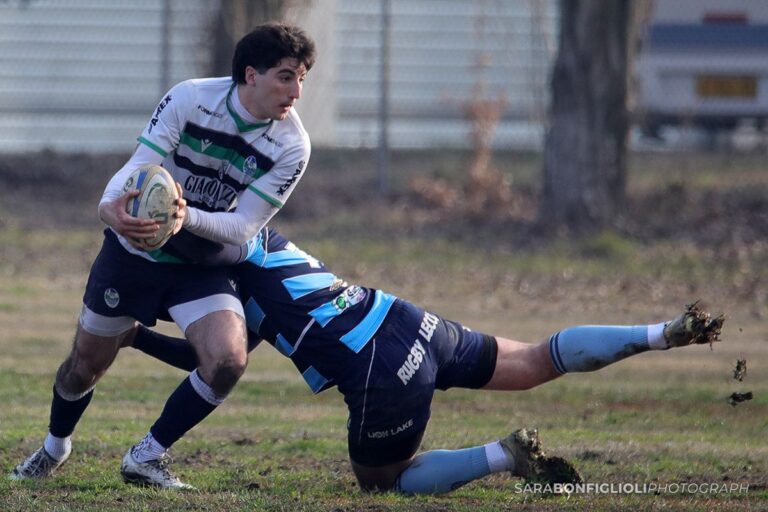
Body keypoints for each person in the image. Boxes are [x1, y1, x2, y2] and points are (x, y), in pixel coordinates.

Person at [126, 227, 724, 494]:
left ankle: (505, 455)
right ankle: (660, 333)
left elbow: (209, 350)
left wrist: (138, 318)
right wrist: (139, 338)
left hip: (376, 365)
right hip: (406, 319)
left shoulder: (221, 271)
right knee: (536, 359)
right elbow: (213, 358)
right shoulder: (258, 231)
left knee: (381, 482)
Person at [10, 22, 317, 489]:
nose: (296, 92)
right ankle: (55, 446)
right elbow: (140, 164)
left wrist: (182, 216)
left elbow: (244, 226)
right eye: (286, 77)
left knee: (227, 361)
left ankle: (147, 456)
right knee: (83, 368)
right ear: (251, 75)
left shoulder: (292, 145)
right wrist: (109, 208)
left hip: (200, 260)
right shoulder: (191, 98)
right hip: (132, 252)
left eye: (302, 78)